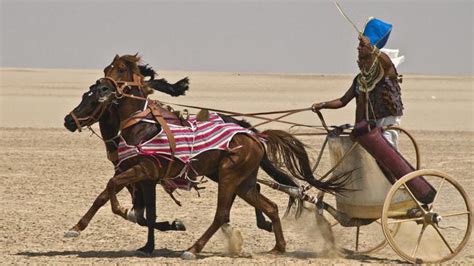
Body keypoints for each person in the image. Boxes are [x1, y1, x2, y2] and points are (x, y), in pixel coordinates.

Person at [312, 18, 403, 147]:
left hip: (387, 123)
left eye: (361, 46)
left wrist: (370, 46)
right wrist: (322, 105)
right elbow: (343, 100)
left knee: (386, 155)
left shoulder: (386, 69)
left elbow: (386, 61)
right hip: (371, 124)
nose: (357, 48)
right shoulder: (360, 80)